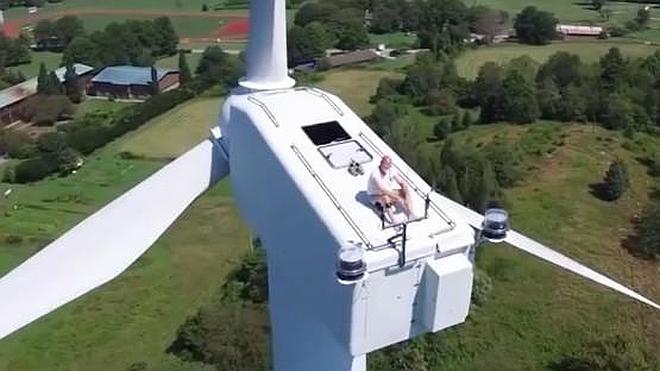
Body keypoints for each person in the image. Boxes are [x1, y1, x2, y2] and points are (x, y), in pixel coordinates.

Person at [367, 156, 414, 221]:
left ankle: (411, 214)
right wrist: (398, 198)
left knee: (406, 190)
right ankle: (394, 221)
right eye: (385, 164)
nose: (387, 167)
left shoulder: (391, 169)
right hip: (375, 196)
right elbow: (383, 190)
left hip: (389, 192)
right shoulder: (375, 174)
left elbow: (400, 181)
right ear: (381, 163)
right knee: (385, 197)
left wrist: (403, 185)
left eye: (389, 165)